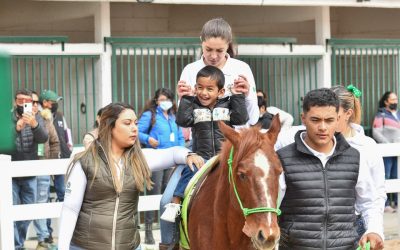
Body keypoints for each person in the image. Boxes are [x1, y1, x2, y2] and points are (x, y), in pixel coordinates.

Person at [161, 17, 258, 248]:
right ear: (201, 43)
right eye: (208, 49)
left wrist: (243, 96)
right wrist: (183, 98)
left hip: (236, 149)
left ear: (229, 46)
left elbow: (251, 119)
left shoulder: (241, 69)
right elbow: (184, 123)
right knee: (166, 199)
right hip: (199, 150)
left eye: (219, 50)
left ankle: (263, 239)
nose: (213, 55)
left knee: (265, 189)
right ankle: (170, 243)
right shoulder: (190, 70)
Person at [57, 102, 203, 250]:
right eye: (127, 123)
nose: (134, 128)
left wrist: (188, 155)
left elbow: (173, 153)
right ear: (110, 126)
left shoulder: (139, 159)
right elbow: (70, 210)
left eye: (136, 123)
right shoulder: (85, 162)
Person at [276, 88, 384, 250]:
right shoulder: (283, 158)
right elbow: (270, 207)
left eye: (329, 120)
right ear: (303, 119)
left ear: (339, 118)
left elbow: (370, 201)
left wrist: (375, 230)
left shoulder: (355, 157)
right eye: (315, 120)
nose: (322, 127)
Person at [160, 65, 249, 224]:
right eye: (200, 87)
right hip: (202, 158)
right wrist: (186, 98)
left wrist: (238, 97)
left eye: (209, 89)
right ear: (195, 88)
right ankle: (175, 203)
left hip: (225, 158)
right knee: (189, 171)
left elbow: (241, 119)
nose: (204, 93)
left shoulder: (227, 105)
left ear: (220, 92)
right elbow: (183, 121)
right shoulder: (194, 105)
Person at [331, 85, 385, 241]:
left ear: (348, 113)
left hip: (355, 227)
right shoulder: (315, 141)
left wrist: (374, 229)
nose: (326, 123)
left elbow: (376, 193)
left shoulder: (367, 147)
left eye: (334, 116)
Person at [138, 87, 185, 244]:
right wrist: (147, 139)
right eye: (161, 99)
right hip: (157, 159)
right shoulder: (150, 116)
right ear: (156, 101)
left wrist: (182, 153)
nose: (165, 102)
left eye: (167, 99)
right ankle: (149, 231)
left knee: (169, 194)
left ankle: (167, 228)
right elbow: (136, 131)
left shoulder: (173, 117)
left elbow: (180, 136)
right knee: (154, 193)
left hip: (173, 161)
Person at [12, 89, 48, 250]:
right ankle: (17, 246)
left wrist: (34, 124)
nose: (23, 103)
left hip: (30, 173)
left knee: (28, 213)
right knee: (11, 211)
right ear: (15, 102)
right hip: (10, 174)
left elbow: (43, 138)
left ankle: (17, 242)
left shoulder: (36, 116)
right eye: (20, 100)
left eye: (27, 100)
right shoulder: (7, 118)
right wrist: (16, 129)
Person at [40, 89, 72, 243]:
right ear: (45, 102)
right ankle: (47, 235)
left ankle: (68, 230)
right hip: (45, 161)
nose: (55, 105)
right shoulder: (38, 117)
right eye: (53, 102)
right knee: (44, 197)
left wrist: (69, 144)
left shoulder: (59, 116)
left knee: (63, 194)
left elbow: (66, 132)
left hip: (61, 159)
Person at [31, 91, 60, 249]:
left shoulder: (46, 118)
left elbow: (55, 142)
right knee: (25, 205)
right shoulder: (16, 120)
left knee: (42, 203)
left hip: (43, 169)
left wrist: (51, 164)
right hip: (23, 170)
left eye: (36, 102)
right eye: (31, 102)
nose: (34, 105)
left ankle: (43, 238)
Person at [372, 91, 400, 212]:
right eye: (392, 99)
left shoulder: (398, 114)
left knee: (396, 176)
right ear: (386, 101)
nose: (395, 101)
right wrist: (387, 145)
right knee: (386, 176)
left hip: (397, 152)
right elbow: (376, 132)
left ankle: (397, 202)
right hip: (386, 151)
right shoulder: (381, 115)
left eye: (396, 99)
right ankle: (385, 205)